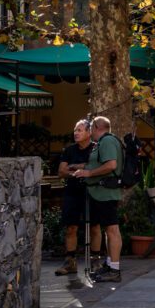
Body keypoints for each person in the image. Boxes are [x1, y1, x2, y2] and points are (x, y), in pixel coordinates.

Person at [73, 116, 123, 283]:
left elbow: (111, 165)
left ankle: (114, 269)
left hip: (106, 192)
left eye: (90, 128)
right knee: (109, 230)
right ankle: (110, 265)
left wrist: (88, 173)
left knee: (112, 230)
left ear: (95, 127)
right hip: (102, 193)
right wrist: (83, 168)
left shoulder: (107, 141)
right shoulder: (105, 142)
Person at [54, 119, 97, 276]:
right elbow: (61, 172)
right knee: (71, 227)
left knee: (95, 226)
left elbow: (97, 167)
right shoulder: (69, 151)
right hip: (72, 192)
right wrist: (81, 170)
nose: (76, 133)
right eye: (75, 130)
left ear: (89, 132)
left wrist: (76, 166)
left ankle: (95, 260)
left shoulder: (95, 149)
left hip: (93, 191)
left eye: (80, 130)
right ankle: (70, 261)